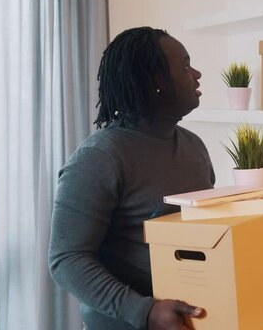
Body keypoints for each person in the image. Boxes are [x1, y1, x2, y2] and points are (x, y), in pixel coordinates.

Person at [49, 27, 215, 330]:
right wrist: (145, 311)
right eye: (185, 65)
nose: (197, 73)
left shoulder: (194, 146)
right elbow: (67, 259)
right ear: (157, 80)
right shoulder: (99, 157)